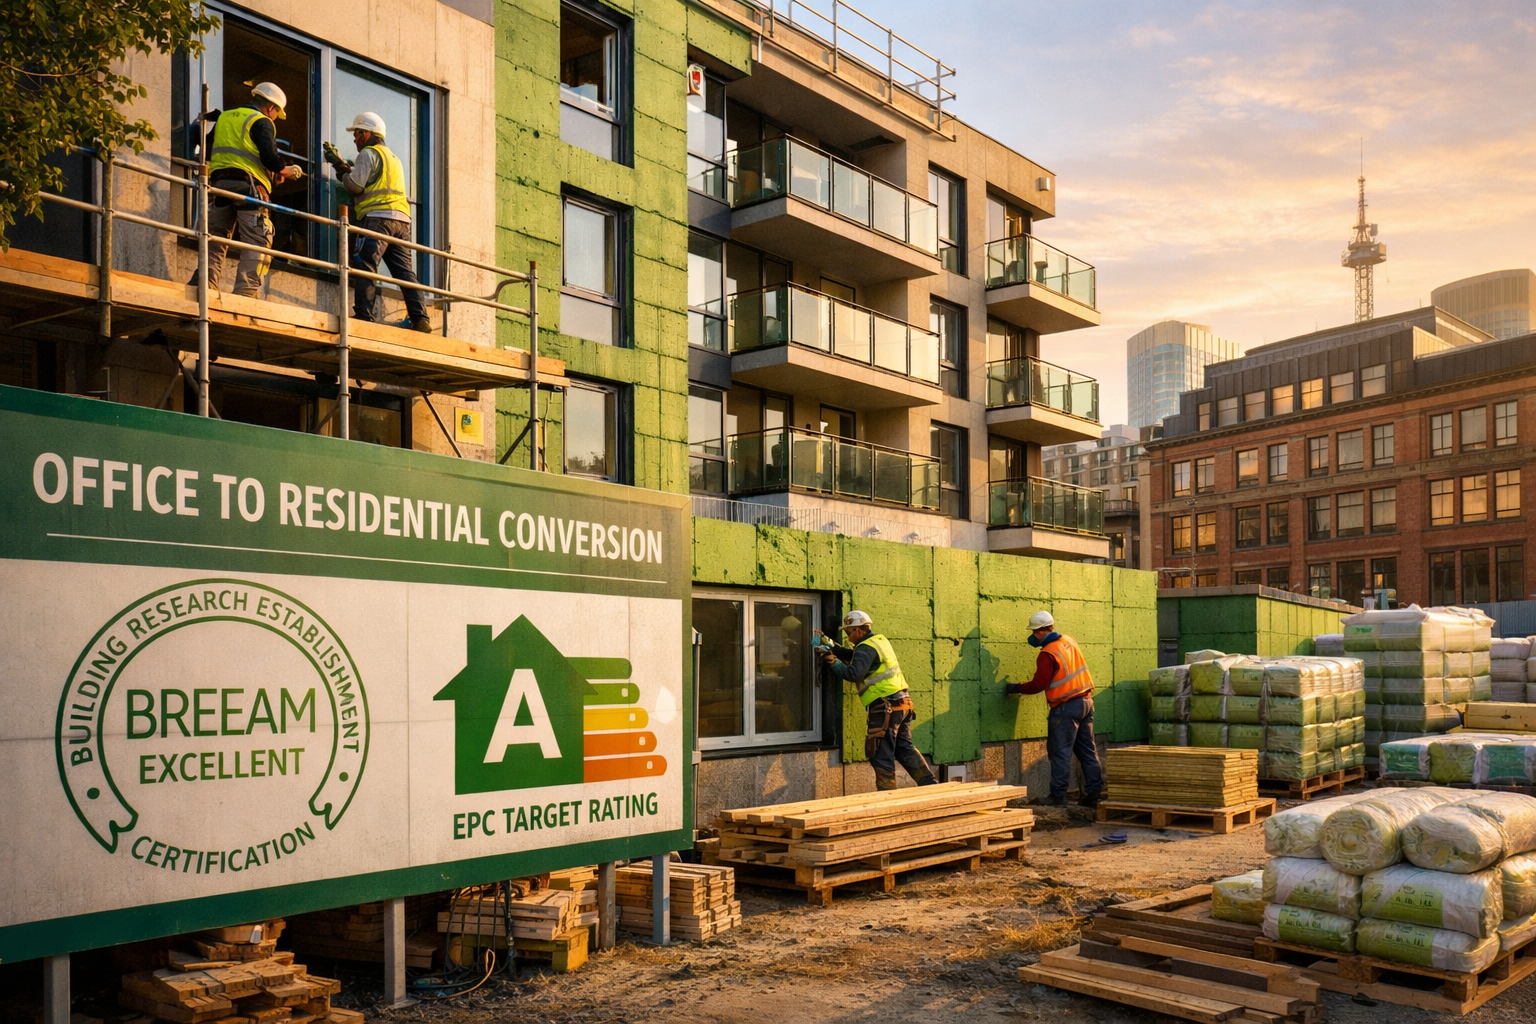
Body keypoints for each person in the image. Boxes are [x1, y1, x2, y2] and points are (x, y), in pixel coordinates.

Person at [325, 112, 430, 332]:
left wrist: (339, 169)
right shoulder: (392, 157)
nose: (354, 139)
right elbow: (369, 180)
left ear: (366, 134)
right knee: (405, 272)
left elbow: (355, 186)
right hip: (401, 222)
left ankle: (364, 316)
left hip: (377, 220)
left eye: (356, 134)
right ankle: (421, 318)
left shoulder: (368, 153)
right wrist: (344, 166)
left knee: (365, 265)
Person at [194, 82, 301, 297]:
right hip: (248, 187)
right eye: (275, 114)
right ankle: (245, 295)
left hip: (219, 186)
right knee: (258, 241)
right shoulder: (261, 121)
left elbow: (206, 146)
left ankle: (203, 285)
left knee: (215, 238)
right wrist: (285, 169)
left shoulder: (225, 117)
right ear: (271, 108)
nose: (274, 118)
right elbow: (269, 157)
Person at [816, 610, 937, 791]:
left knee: (880, 753)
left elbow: (854, 673)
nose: (848, 637)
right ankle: (931, 787)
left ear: (858, 630)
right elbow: (854, 656)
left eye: (849, 632)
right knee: (904, 749)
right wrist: (831, 645)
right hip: (902, 704)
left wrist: (833, 662)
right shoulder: (878, 641)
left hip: (885, 706)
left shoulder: (865, 647)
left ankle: (887, 798)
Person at [1005, 610, 1105, 808]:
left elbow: (1038, 684)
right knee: (1088, 751)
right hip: (1086, 702)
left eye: (1034, 632)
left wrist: (1016, 688)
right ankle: (1094, 794)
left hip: (1066, 708)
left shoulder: (1047, 653)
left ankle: (1058, 797)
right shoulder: (1069, 641)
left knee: (1060, 753)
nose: (1033, 636)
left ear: (1042, 631)